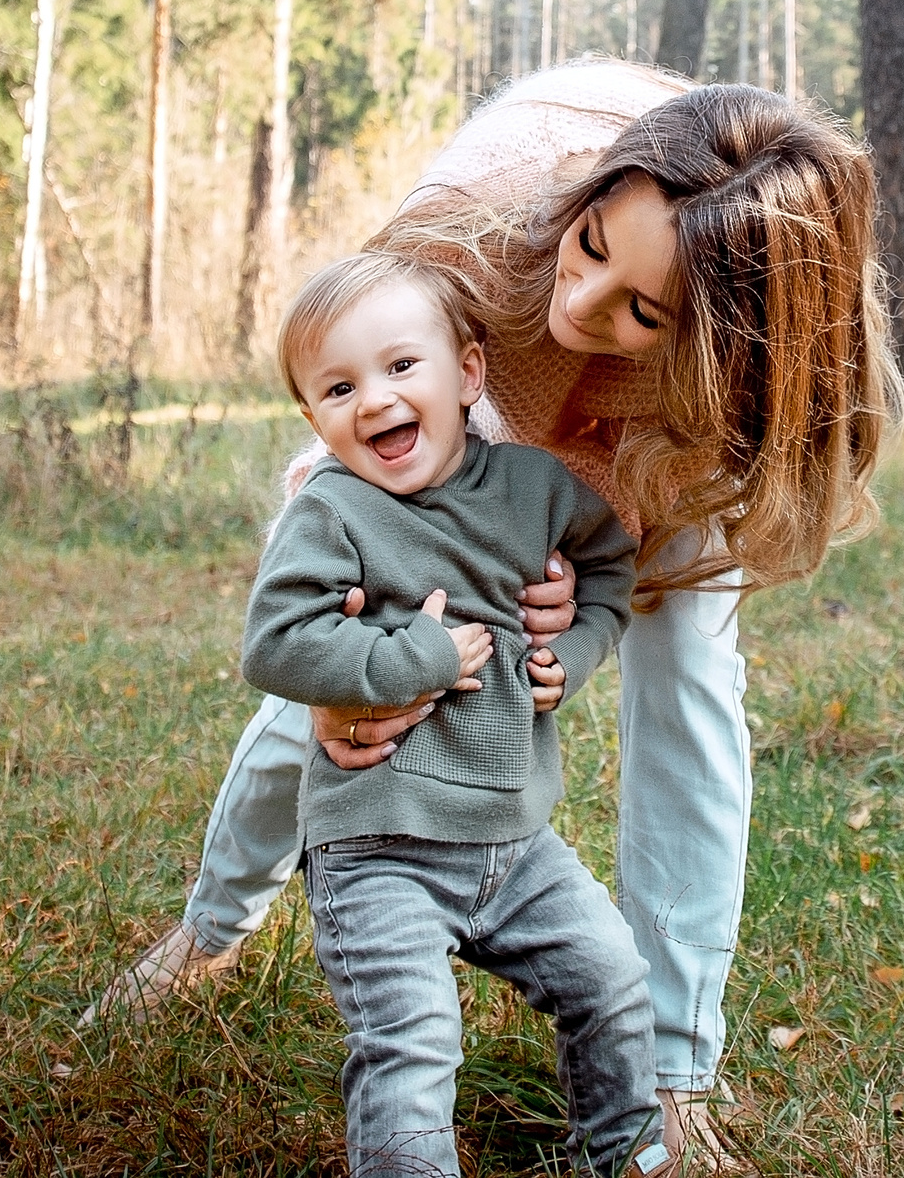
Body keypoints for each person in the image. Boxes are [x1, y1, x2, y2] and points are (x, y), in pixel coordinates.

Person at [103, 60, 902, 1170]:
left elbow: (639, 584)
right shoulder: (477, 216)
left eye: (640, 307)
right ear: (588, 198)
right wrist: (340, 677)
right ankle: (209, 930)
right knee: (379, 639)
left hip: (672, 425)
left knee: (689, 678)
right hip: (488, 354)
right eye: (591, 247)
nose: (583, 306)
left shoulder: (754, 367)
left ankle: (671, 1074)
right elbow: (347, 474)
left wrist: (585, 592)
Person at [243, 250, 668, 1178]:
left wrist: (577, 649)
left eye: (402, 366)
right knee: (414, 1036)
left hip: (517, 843)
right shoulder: (333, 511)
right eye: (339, 387)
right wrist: (409, 660)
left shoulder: (534, 489)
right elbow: (273, 643)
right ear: (314, 419)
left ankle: (627, 1154)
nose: (375, 399)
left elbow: (609, 565)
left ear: (468, 373)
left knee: (611, 976)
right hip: (377, 846)